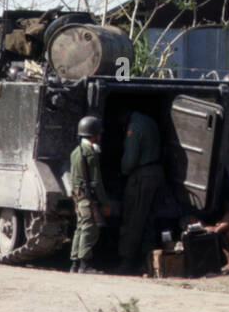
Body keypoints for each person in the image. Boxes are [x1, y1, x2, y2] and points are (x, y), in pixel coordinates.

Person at [118, 110, 164, 274]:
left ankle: (127, 261)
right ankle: (148, 262)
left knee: (133, 219)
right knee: (149, 220)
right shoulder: (149, 121)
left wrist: (122, 172)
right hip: (157, 173)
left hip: (141, 177)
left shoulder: (133, 127)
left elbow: (130, 159)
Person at [69, 115, 110, 274]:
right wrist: (104, 203)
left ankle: (75, 264)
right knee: (89, 230)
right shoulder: (90, 154)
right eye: (98, 134)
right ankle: (85, 265)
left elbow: (73, 179)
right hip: (89, 198)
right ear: (93, 135)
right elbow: (96, 182)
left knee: (80, 229)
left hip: (79, 197)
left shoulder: (75, 152)